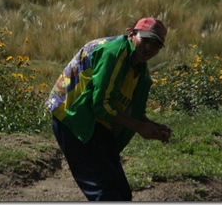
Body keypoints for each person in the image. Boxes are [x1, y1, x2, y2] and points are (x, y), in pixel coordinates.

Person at [45, 17, 172, 201]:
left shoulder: (140, 70)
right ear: (131, 34)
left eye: (156, 45)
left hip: (97, 123)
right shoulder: (113, 54)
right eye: (145, 40)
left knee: (121, 194)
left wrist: (152, 126)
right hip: (73, 118)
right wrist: (139, 127)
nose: (149, 48)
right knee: (105, 194)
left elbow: (130, 111)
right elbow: (101, 106)